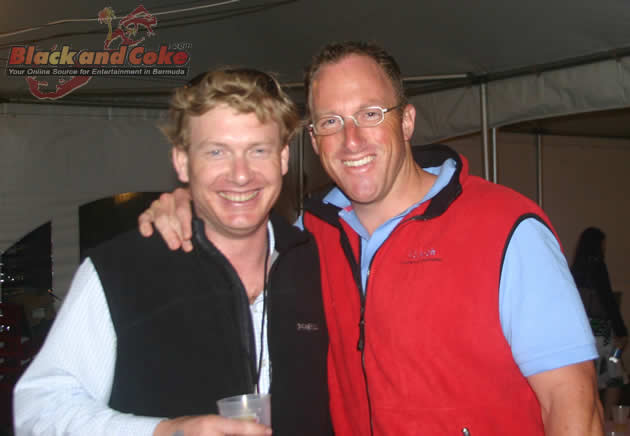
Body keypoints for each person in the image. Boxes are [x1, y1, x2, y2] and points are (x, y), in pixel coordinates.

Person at [138, 42, 604, 435]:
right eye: (331, 122)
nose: (352, 140)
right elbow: (235, 247)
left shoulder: (505, 227)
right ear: (314, 141)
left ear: (407, 121)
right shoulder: (307, 238)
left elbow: (573, 405)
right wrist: (190, 205)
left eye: (370, 114)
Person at [13, 68, 332, 436]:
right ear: (182, 162)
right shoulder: (121, 271)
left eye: (258, 150)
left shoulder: (317, 264)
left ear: (283, 158)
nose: (241, 174)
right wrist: (164, 432)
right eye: (217, 152)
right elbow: (39, 409)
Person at [572, 227, 628, 419]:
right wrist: (622, 330)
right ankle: (608, 420)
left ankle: (590, 420)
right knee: (615, 374)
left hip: (581, 332)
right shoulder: (598, 266)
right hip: (601, 332)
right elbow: (608, 300)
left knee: (589, 377)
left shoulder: (574, 270)